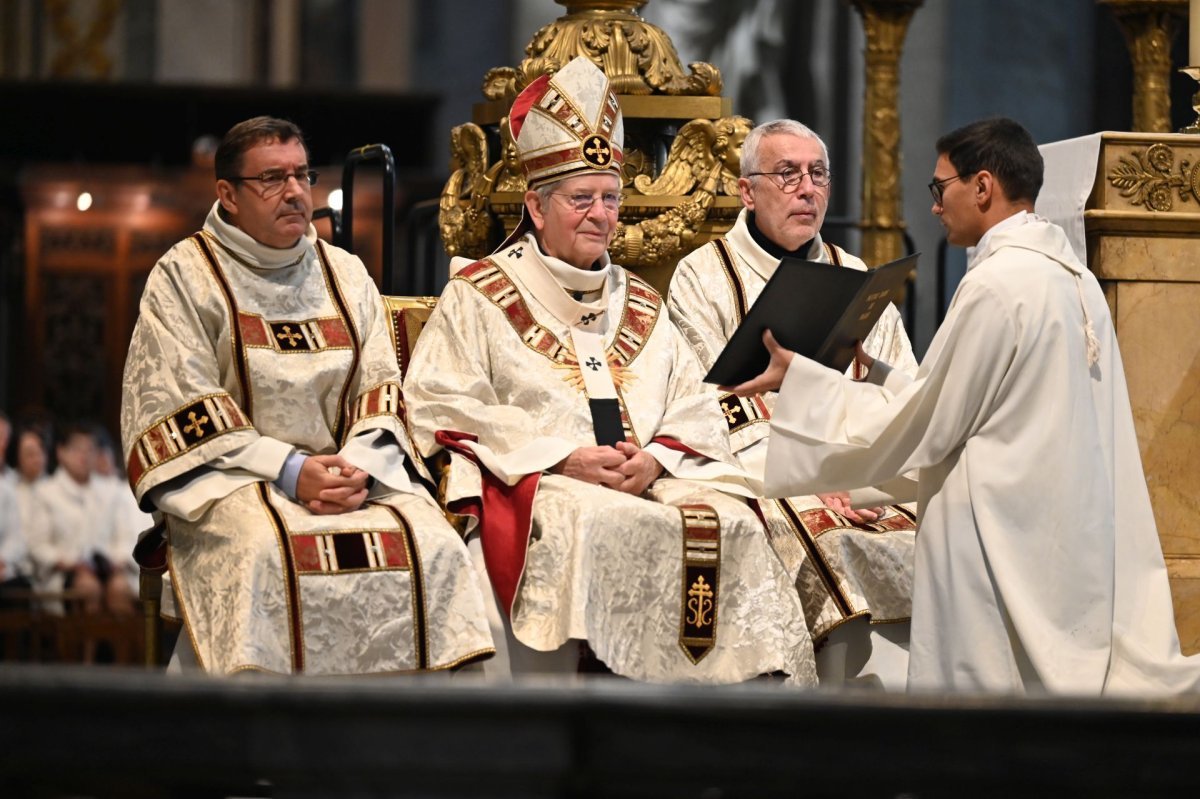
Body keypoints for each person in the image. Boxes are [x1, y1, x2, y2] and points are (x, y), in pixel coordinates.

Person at [729, 117, 1200, 695]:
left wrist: (797, 379)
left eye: (940, 187)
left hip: (996, 540)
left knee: (989, 716)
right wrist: (873, 371)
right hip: (1053, 532)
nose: (934, 206)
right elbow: (965, 403)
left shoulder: (998, 286)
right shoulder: (1071, 276)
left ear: (981, 187)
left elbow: (928, 427)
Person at [404, 57, 814, 684]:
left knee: (733, 521)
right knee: (597, 520)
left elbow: (694, 399)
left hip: (649, 476)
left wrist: (655, 458)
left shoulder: (643, 301)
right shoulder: (481, 293)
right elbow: (443, 401)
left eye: (611, 198)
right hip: (547, 485)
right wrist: (563, 457)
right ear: (537, 209)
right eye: (581, 199)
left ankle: (722, 726)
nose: (601, 215)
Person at [120, 116, 493, 675]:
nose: (295, 192)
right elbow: (181, 406)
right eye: (272, 178)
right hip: (239, 482)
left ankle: (413, 744)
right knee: (263, 552)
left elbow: (381, 387)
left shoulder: (343, 272)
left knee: (435, 547)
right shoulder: (184, 276)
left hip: (352, 477)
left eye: (302, 175)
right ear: (228, 193)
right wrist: (292, 470)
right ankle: (262, 747)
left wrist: (357, 466)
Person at [669, 119, 918, 690]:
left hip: (862, 473)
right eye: (787, 174)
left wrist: (851, 470)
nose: (807, 189)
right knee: (832, 545)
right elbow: (705, 403)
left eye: (818, 174)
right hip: (759, 470)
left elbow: (901, 387)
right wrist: (811, 474)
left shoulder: (853, 275)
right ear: (747, 191)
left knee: (940, 532)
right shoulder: (704, 277)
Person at [30, 423, 133, 616]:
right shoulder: (46, 493)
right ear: (61, 453)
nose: (84, 456)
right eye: (77, 449)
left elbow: (124, 537)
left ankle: (125, 646)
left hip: (105, 568)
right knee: (88, 587)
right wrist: (69, 562)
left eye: (90, 449)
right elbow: (38, 547)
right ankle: (86, 647)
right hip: (63, 572)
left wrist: (115, 559)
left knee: (120, 588)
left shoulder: (110, 492)